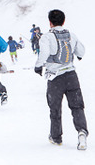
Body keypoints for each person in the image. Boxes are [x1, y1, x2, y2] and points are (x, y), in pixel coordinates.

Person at [34, 9, 88, 150]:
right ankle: (82, 132)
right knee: (77, 107)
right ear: (64, 21)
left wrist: (38, 66)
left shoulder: (46, 37)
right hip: (71, 76)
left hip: (55, 78)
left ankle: (56, 137)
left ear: (50, 22)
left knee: (55, 108)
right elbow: (81, 52)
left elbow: (45, 52)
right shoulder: (71, 35)